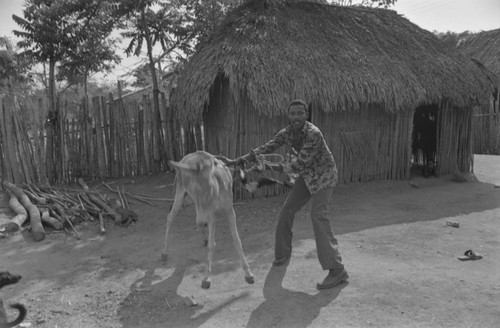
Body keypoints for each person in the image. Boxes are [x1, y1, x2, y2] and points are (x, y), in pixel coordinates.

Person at [229, 99, 348, 289]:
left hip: (324, 176)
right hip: (308, 177)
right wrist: (246, 158)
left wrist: (267, 166)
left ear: (306, 115)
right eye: (292, 113)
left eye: (300, 113)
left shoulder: (313, 134)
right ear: (288, 115)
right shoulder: (287, 133)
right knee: (287, 210)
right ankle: (283, 254)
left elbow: (296, 166)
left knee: (318, 217)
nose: (296, 117)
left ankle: (337, 270)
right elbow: (269, 146)